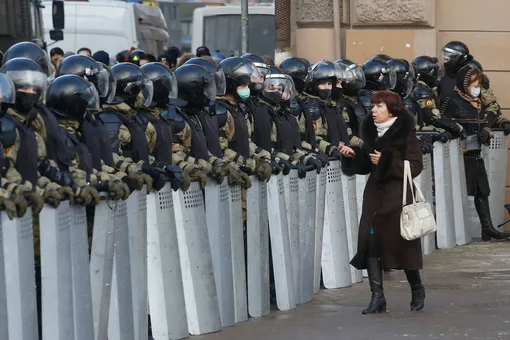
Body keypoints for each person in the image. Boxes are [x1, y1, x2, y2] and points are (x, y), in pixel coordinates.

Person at [339, 90, 425, 314]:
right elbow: (366, 165)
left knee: (402, 247)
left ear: (392, 110)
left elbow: (416, 166)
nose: (373, 111)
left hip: (397, 197)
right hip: (374, 198)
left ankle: (416, 287)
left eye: (379, 107)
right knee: (370, 244)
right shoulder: (371, 133)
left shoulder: (406, 134)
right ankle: (377, 297)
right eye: (373, 106)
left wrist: (387, 161)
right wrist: (352, 157)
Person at [442, 64, 510, 241]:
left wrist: (486, 128)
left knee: (482, 191)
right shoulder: (452, 100)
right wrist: (459, 131)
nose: (476, 89)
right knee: (457, 192)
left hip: (475, 153)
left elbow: (491, 113)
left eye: (478, 85)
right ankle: (452, 231)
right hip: (460, 154)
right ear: (465, 84)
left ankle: (486, 228)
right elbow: (443, 121)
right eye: (473, 84)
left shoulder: (478, 102)